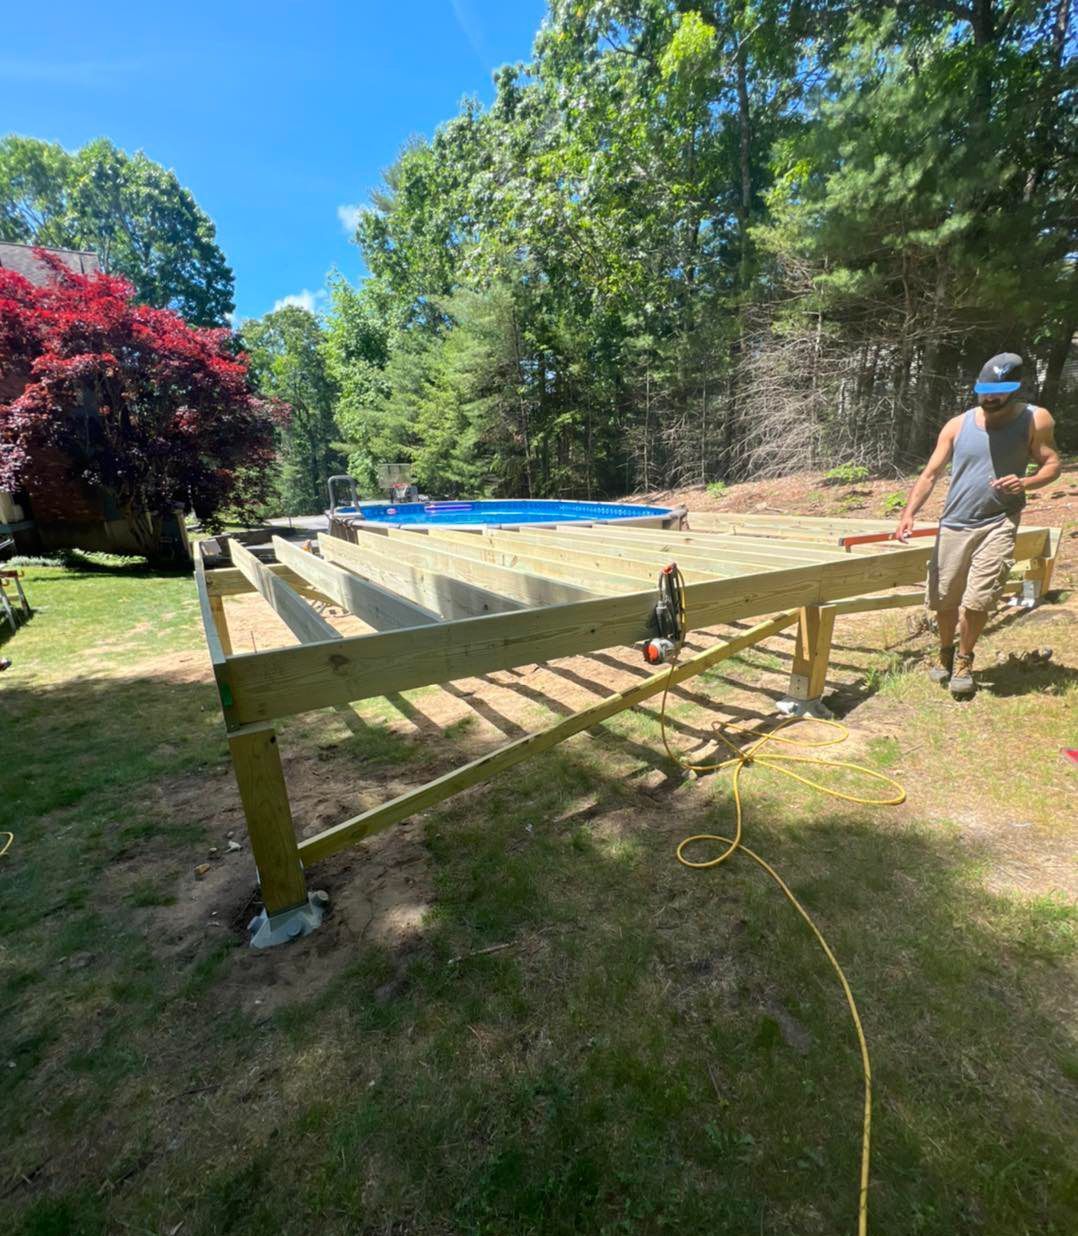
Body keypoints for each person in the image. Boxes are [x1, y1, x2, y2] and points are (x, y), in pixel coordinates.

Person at [896, 353, 1060, 696]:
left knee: (979, 598)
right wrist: (908, 513)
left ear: (1015, 389)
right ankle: (945, 652)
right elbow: (930, 474)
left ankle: (965, 659)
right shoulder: (958, 425)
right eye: (983, 391)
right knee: (944, 599)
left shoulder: (1035, 419)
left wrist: (1024, 483)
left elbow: (1052, 465)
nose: (988, 398)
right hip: (954, 522)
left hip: (998, 521)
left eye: (996, 393)